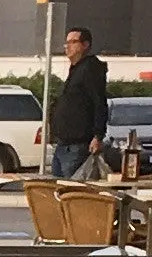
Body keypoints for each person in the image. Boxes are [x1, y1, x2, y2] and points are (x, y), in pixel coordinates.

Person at [45, 25, 110, 181]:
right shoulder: (75, 70)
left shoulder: (90, 68)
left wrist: (98, 136)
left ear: (85, 45)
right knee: (56, 190)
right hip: (62, 144)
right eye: (66, 42)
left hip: (77, 146)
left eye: (73, 42)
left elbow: (99, 102)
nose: (68, 46)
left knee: (72, 191)